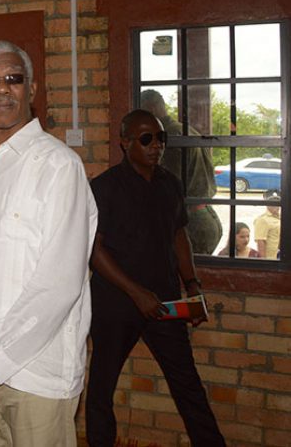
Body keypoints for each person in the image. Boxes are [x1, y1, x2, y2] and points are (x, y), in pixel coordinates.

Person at [0, 40, 98, 446]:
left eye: (13, 78)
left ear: (32, 89)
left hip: (36, 375)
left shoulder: (59, 166)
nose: (2, 89)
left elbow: (58, 286)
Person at [85, 109, 225, 447]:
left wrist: (192, 286)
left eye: (160, 138)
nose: (156, 145)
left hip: (164, 303)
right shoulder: (103, 188)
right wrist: (135, 293)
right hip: (115, 304)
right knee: (101, 389)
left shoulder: (170, 184)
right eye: (146, 138)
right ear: (125, 142)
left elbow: (179, 237)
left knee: (187, 384)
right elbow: (94, 250)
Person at [141, 89, 222, 255]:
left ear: (151, 109)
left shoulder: (167, 137)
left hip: (189, 221)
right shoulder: (186, 130)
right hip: (205, 214)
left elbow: (169, 185)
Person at [254, 189, 281, 259]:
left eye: (278, 202)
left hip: (281, 257)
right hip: (271, 258)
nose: (276, 205)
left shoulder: (280, 217)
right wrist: (265, 263)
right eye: (272, 203)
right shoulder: (262, 220)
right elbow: (260, 241)